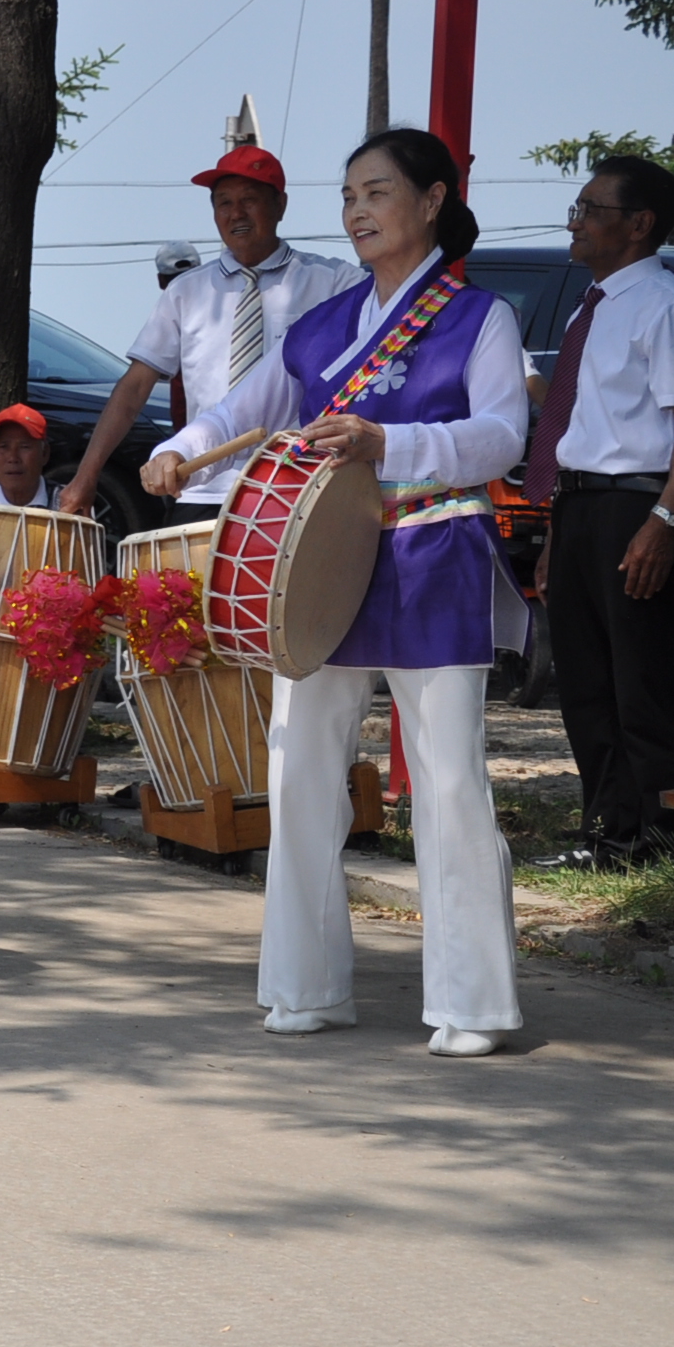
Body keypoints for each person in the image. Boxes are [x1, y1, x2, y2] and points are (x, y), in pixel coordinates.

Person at [145, 128, 527, 1059]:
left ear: (433, 201)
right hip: (315, 562)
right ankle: (305, 985)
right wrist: (183, 448)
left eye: (377, 192)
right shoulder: (321, 328)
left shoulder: (480, 318)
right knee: (299, 771)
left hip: (431, 553)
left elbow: (502, 438)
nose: (356, 211)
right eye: (348, 195)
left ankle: (471, 1002)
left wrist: (388, 446)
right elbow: (250, 407)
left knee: (447, 780)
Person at [62, 145, 364, 520]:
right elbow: (135, 388)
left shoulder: (335, 282)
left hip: (296, 487)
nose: (236, 213)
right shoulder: (186, 292)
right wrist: (86, 475)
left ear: (281, 205)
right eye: (223, 203)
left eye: (249, 200)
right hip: (201, 487)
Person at [527, 154, 674, 871]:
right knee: (584, 682)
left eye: (592, 209)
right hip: (582, 508)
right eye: (577, 209)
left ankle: (660, 835)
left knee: (640, 680)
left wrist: (664, 524)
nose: (576, 222)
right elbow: (576, 432)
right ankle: (610, 835)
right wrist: (558, 531)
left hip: (638, 508)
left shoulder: (661, 305)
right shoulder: (593, 308)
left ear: (640, 224)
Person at [0, 403, 54, 508]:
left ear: (44, 453)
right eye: (3, 447)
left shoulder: (69, 509)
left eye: (24, 447)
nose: (13, 458)